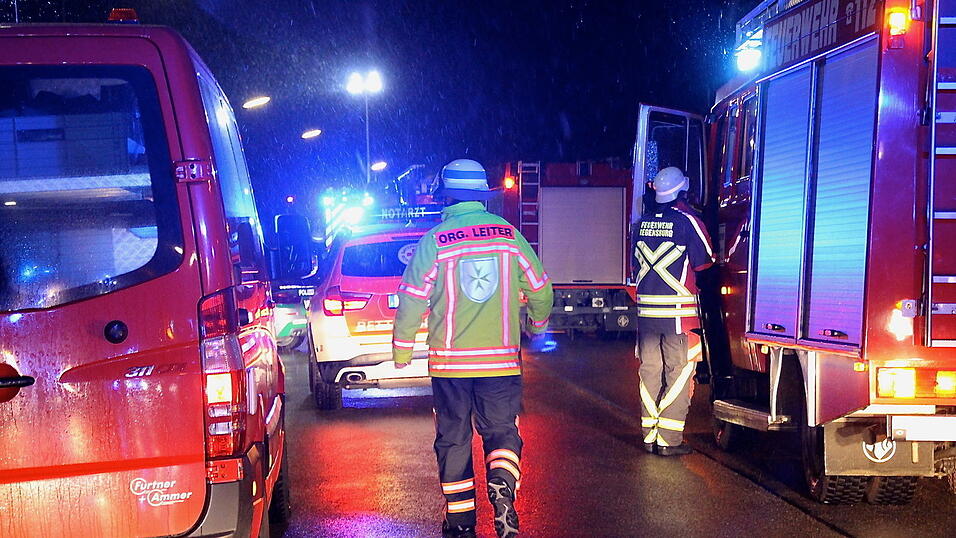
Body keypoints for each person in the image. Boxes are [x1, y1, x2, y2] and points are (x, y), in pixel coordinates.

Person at [392, 158, 553, 538]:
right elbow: (541, 290)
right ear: (483, 195)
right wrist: (537, 327)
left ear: (445, 196)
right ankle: (502, 483)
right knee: (501, 431)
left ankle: (461, 524)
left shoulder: (435, 241)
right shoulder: (508, 236)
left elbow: (412, 299)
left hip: (450, 366)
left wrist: (402, 351)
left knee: (453, 441)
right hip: (500, 364)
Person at [634, 166, 715, 456]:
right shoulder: (687, 222)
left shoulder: (640, 224)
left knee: (649, 372)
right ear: (683, 191)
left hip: (646, 317)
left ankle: (649, 436)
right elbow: (705, 263)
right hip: (678, 316)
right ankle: (668, 440)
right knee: (679, 372)